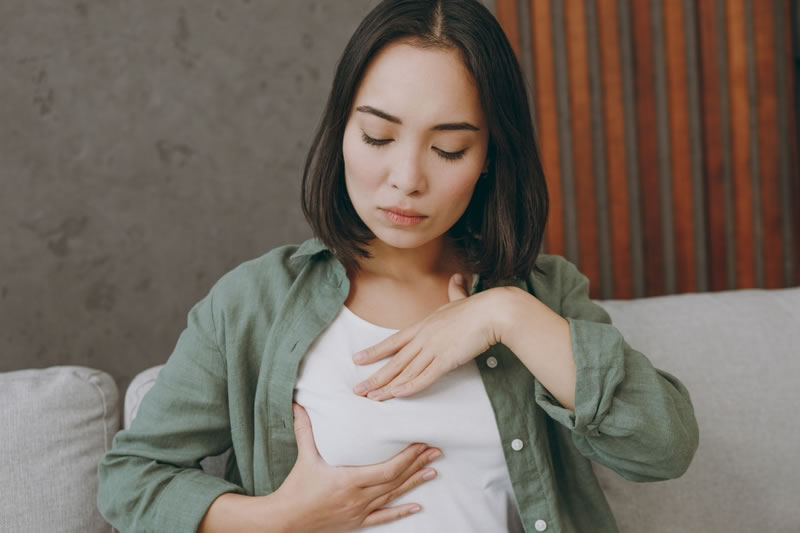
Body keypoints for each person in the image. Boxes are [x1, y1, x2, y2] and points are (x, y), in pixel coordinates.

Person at [97, 1, 699, 531]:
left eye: (449, 149)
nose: (406, 180)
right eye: (378, 137)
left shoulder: (543, 293)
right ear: (342, 134)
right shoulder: (254, 302)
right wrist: (278, 520)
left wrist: (506, 313)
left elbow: (664, 448)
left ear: (490, 155)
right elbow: (131, 481)